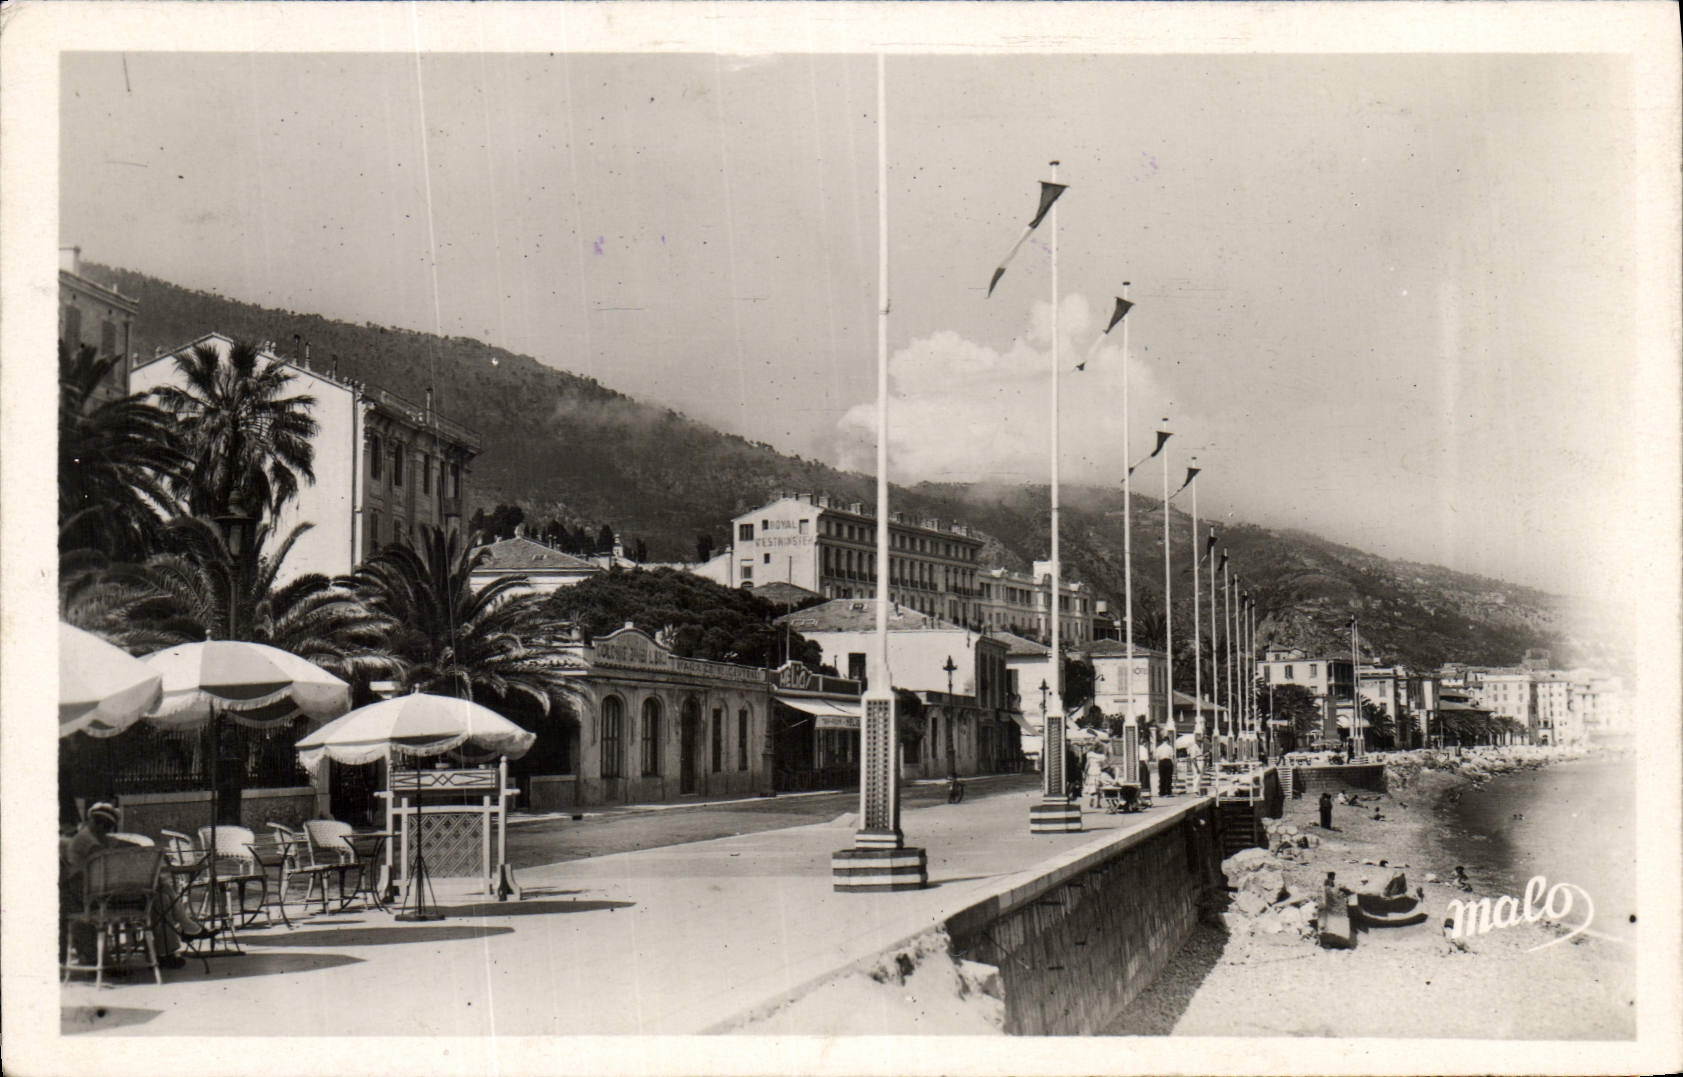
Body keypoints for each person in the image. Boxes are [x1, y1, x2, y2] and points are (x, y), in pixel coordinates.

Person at [60, 802, 201, 971]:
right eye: (100, 823)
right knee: (159, 892)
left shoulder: (94, 837)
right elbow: (107, 862)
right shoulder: (87, 840)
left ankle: (166, 951)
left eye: (107, 825)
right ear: (92, 820)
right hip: (94, 898)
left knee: (160, 897)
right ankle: (181, 932)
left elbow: (120, 848)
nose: (103, 828)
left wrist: (133, 848)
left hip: (104, 893)